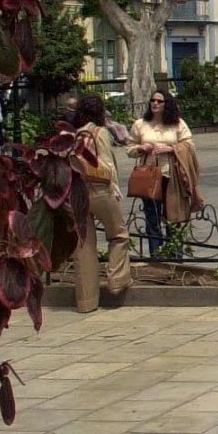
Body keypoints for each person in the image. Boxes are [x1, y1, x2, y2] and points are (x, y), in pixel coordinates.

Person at [69, 95, 133, 312]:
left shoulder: (73, 134)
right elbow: (106, 164)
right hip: (100, 189)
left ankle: (86, 303)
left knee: (84, 246)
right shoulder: (100, 132)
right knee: (118, 234)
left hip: (78, 192)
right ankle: (116, 281)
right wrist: (115, 189)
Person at [128, 90, 204, 257]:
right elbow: (130, 149)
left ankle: (175, 255)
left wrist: (172, 149)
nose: (155, 104)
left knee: (173, 216)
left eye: (159, 101)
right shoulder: (140, 124)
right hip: (149, 176)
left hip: (172, 176)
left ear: (166, 104)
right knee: (152, 217)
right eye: (153, 100)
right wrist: (141, 148)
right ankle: (157, 255)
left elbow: (189, 146)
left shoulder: (178, 124)